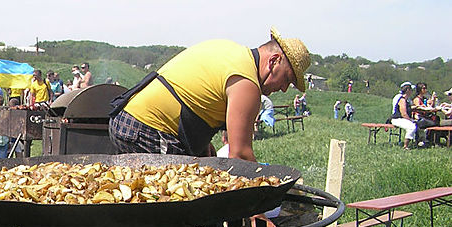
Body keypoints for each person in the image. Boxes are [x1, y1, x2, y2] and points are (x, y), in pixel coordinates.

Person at [109, 27, 310, 162]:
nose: (284, 89)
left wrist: (202, 144)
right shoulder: (247, 82)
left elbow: (195, 93)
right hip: (146, 130)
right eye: (286, 79)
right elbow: (240, 154)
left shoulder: (230, 51)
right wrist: (258, 211)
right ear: (274, 61)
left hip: (127, 121)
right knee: (178, 202)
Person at [390, 82, 418, 149]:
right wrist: (411, 120)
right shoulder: (402, 99)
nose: (412, 91)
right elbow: (404, 114)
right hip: (397, 119)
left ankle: (417, 142)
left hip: (401, 119)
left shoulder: (407, 100)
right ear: (408, 90)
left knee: (418, 124)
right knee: (412, 127)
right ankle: (406, 146)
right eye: (411, 90)